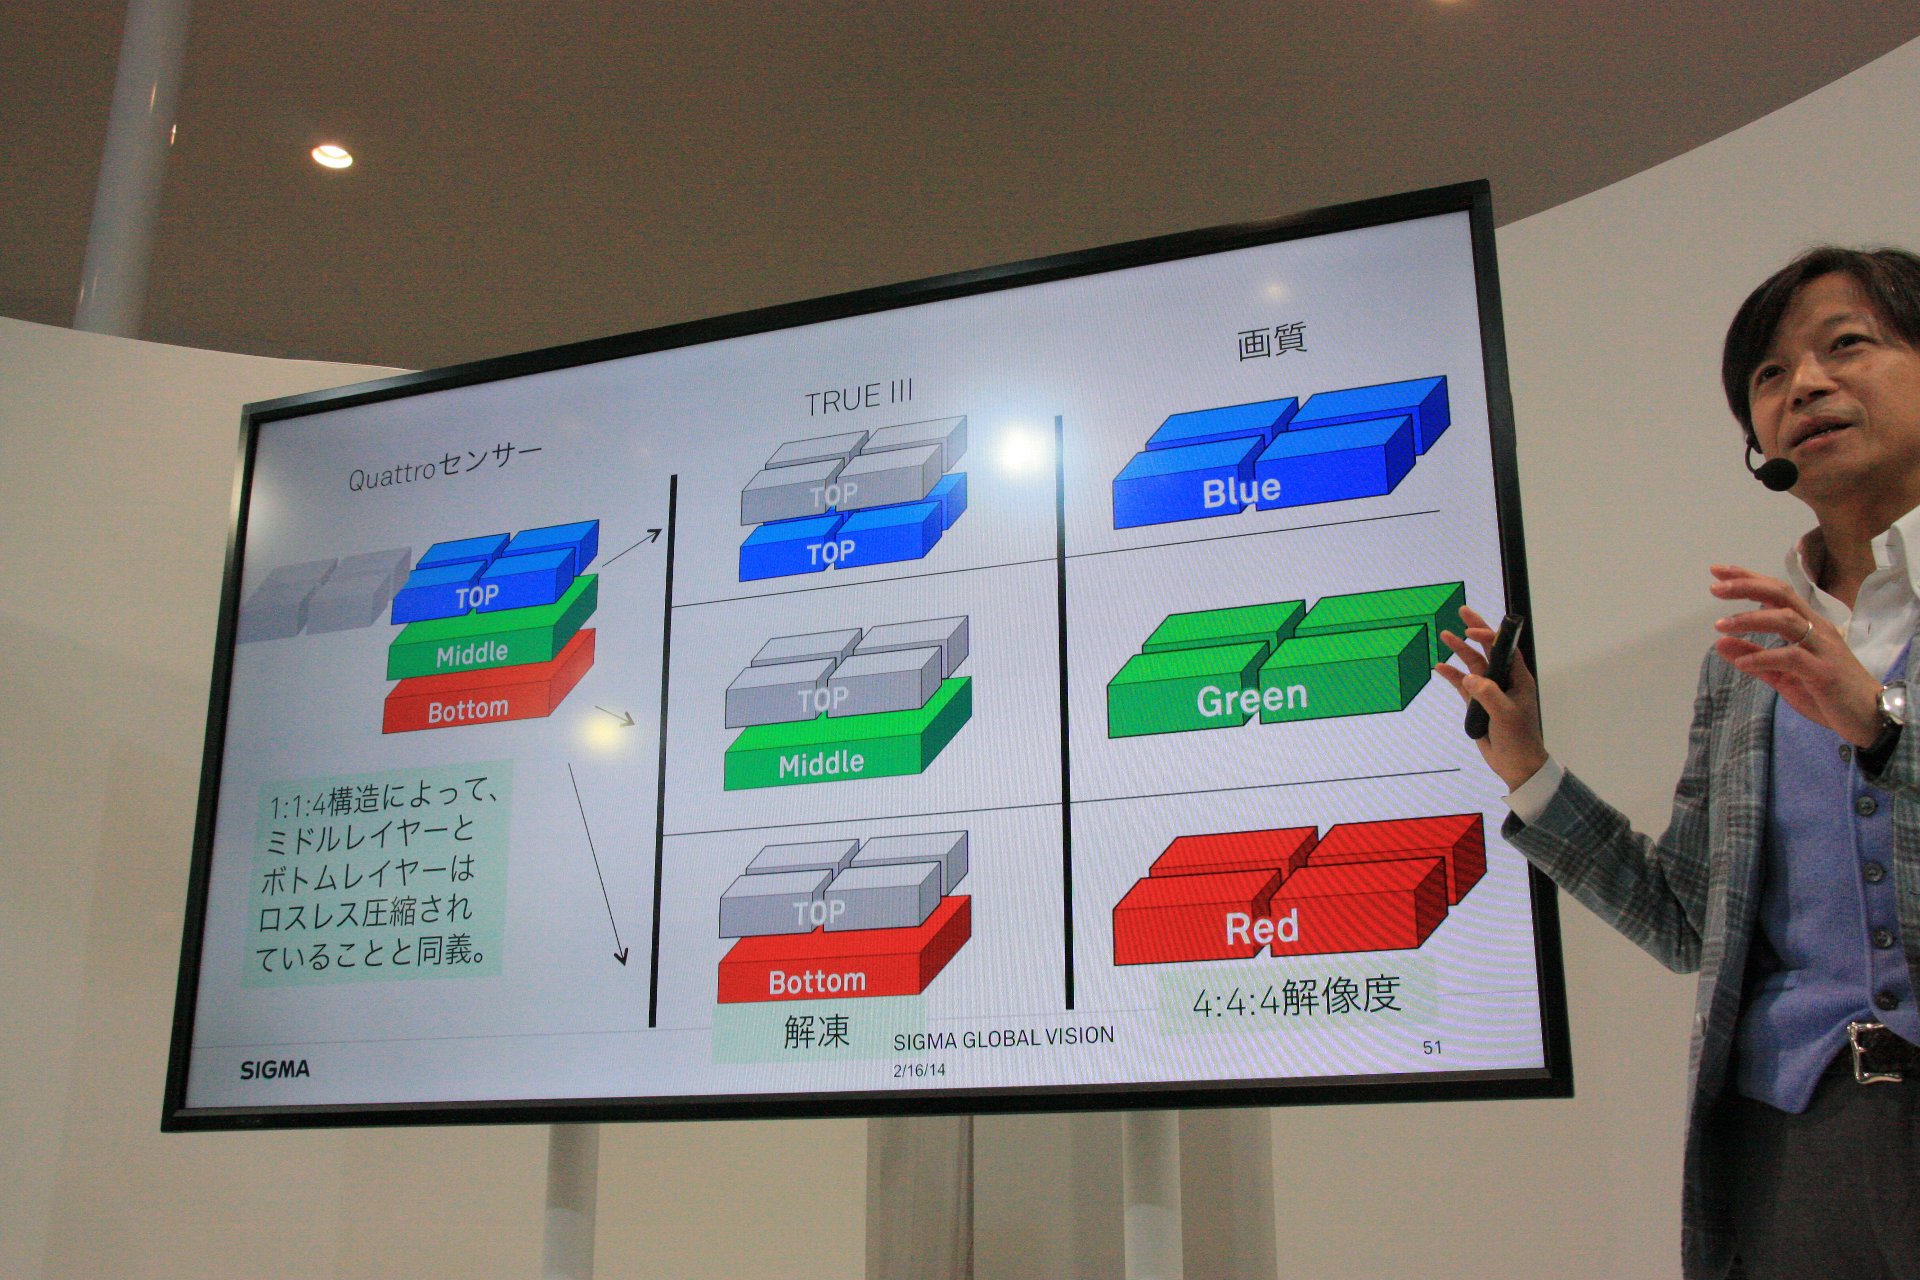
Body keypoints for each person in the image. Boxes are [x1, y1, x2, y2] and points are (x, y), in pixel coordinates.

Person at [1439, 246, 1920, 1280]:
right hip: (1790, 1144)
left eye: (1846, 345)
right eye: (1770, 375)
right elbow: (1690, 921)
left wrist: (1885, 731)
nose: (1806, 386)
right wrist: (1529, 768)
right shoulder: (1748, 663)